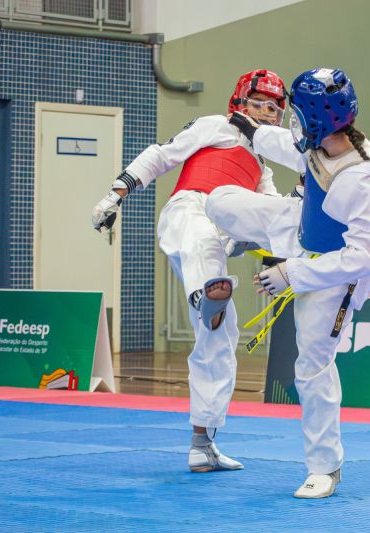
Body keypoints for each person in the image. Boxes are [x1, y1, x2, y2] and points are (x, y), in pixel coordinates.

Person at [205, 68, 370, 499]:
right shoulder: (318, 143)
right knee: (219, 201)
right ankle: (254, 240)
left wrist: (290, 274)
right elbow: (289, 148)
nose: (291, 120)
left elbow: (364, 257)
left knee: (311, 367)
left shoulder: (367, 178)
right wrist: (251, 130)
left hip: (339, 273)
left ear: (315, 118)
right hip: (302, 229)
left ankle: (324, 468)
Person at [91, 69, 287, 473]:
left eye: (273, 109)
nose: (265, 114)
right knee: (202, 242)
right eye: (258, 105)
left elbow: (274, 216)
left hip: (222, 235)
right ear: (240, 103)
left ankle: (203, 443)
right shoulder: (215, 126)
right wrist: (115, 194)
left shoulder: (263, 168)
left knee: (221, 338)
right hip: (189, 211)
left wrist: (278, 259)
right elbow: (162, 154)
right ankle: (206, 294)